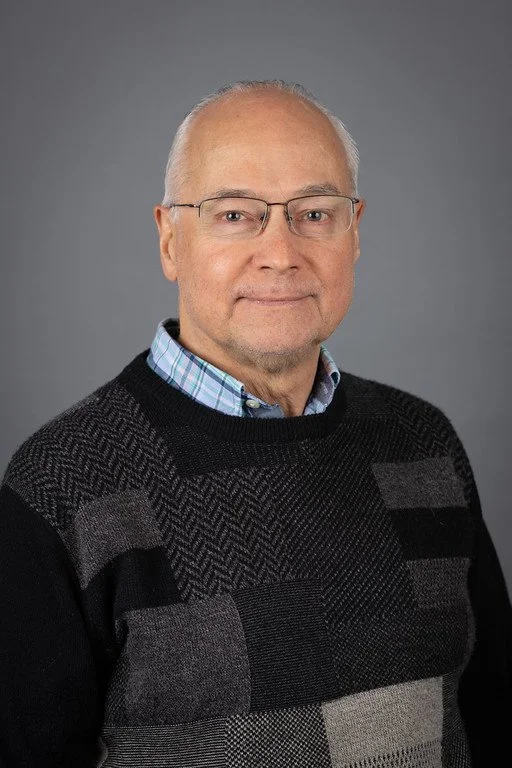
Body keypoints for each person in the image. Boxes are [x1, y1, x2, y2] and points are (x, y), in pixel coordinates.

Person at [0, 79, 510, 768]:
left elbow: (494, 721)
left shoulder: (424, 444)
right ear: (169, 239)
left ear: (355, 232)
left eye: (315, 213)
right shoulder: (60, 486)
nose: (281, 252)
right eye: (236, 215)